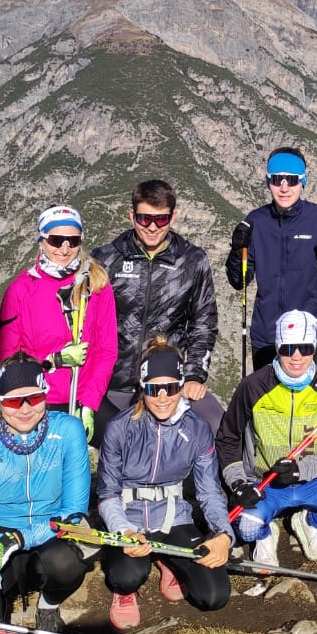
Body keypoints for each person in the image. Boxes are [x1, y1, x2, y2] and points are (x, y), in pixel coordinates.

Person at [217, 311, 317, 564]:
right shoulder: (254, 385)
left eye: (304, 348)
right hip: (264, 482)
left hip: (313, 480)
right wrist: (239, 485)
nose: (296, 356)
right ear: (278, 347)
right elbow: (227, 439)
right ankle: (265, 533)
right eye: (288, 348)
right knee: (246, 529)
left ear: (313, 348)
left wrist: (301, 470)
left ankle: (309, 520)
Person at [0, 355, 92, 634]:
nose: (24, 408)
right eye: (12, 400)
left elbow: (74, 514)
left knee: (65, 564)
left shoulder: (68, 432)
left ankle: (48, 606)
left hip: (49, 537)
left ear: (45, 394)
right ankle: (0, 599)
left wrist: (19, 539)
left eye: (33, 397)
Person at [96, 338, 235, 626]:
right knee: (125, 577)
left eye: (171, 387)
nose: (162, 397)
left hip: (174, 517)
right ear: (142, 388)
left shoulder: (197, 429)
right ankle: (128, 589)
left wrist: (223, 534)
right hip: (129, 519)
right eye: (152, 388)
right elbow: (108, 493)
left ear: (181, 386)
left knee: (214, 596)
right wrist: (123, 531)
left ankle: (165, 558)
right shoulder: (119, 428)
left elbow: (210, 492)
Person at [93, 179, 223, 440]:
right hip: (111, 382)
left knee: (218, 425)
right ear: (132, 216)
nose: (152, 227)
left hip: (165, 380)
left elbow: (203, 323)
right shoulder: (106, 258)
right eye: (144, 219)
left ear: (173, 217)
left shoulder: (192, 260)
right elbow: (87, 322)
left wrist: (194, 375)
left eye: (161, 220)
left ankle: (225, 482)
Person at [224, 147, 317, 374]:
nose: (284, 187)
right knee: (270, 407)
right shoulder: (257, 221)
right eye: (277, 180)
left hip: (308, 335)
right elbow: (239, 281)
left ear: (302, 182)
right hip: (267, 336)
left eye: (292, 180)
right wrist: (237, 252)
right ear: (268, 181)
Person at [0, 205, 118, 440]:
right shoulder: (21, 291)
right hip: (38, 398)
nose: (64, 248)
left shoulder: (97, 285)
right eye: (56, 240)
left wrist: (90, 403)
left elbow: (106, 350)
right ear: (42, 240)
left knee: (124, 441)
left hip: (83, 396)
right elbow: (6, 358)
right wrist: (52, 362)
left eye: (72, 241)